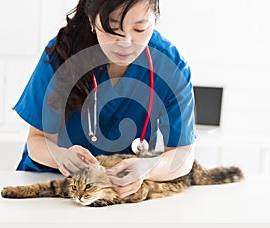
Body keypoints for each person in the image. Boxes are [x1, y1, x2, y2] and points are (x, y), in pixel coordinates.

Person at [15, 0, 196, 198]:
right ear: (92, 21)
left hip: (115, 193)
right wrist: (60, 156)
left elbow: (183, 156)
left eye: (139, 28)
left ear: (155, 21)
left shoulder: (170, 65)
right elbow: (36, 141)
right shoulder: (64, 53)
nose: (126, 42)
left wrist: (148, 167)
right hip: (47, 184)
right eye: (113, 29)